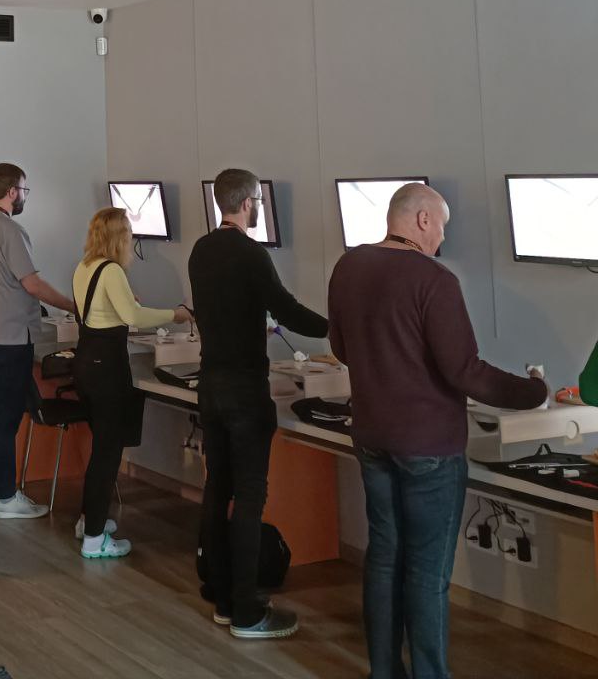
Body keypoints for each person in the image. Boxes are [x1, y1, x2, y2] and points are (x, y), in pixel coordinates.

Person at [328, 183, 548, 679]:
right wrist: (533, 391)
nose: (443, 236)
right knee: (427, 571)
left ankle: (385, 671)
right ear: (423, 219)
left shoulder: (348, 266)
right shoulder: (434, 279)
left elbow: (341, 348)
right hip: (428, 445)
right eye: (443, 225)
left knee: (384, 557)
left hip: (371, 438)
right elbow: (464, 370)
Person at [189, 168, 327, 640]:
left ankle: (223, 597)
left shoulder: (200, 249)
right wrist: (336, 329)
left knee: (217, 490)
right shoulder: (252, 254)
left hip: (210, 385)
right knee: (249, 499)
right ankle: (248, 612)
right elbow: (286, 309)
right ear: (248, 203)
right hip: (245, 390)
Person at [71, 207, 191, 558]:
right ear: (120, 237)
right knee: (107, 454)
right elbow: (132, 315)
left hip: (85, 365)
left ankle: (88, 521)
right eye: (129, 233)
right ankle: (95, 539)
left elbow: (99, 311)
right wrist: (176, 314)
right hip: (107, 369)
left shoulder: (85, 267)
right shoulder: (111, 270)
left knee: (100, 449)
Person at [0, 162, 75, 520]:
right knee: (5, 417)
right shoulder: (10, 230)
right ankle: (7, 499)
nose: (24, 196)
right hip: (10, 337)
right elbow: (32, 284)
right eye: (24, 190)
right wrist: (75, 306)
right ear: (12, 192)